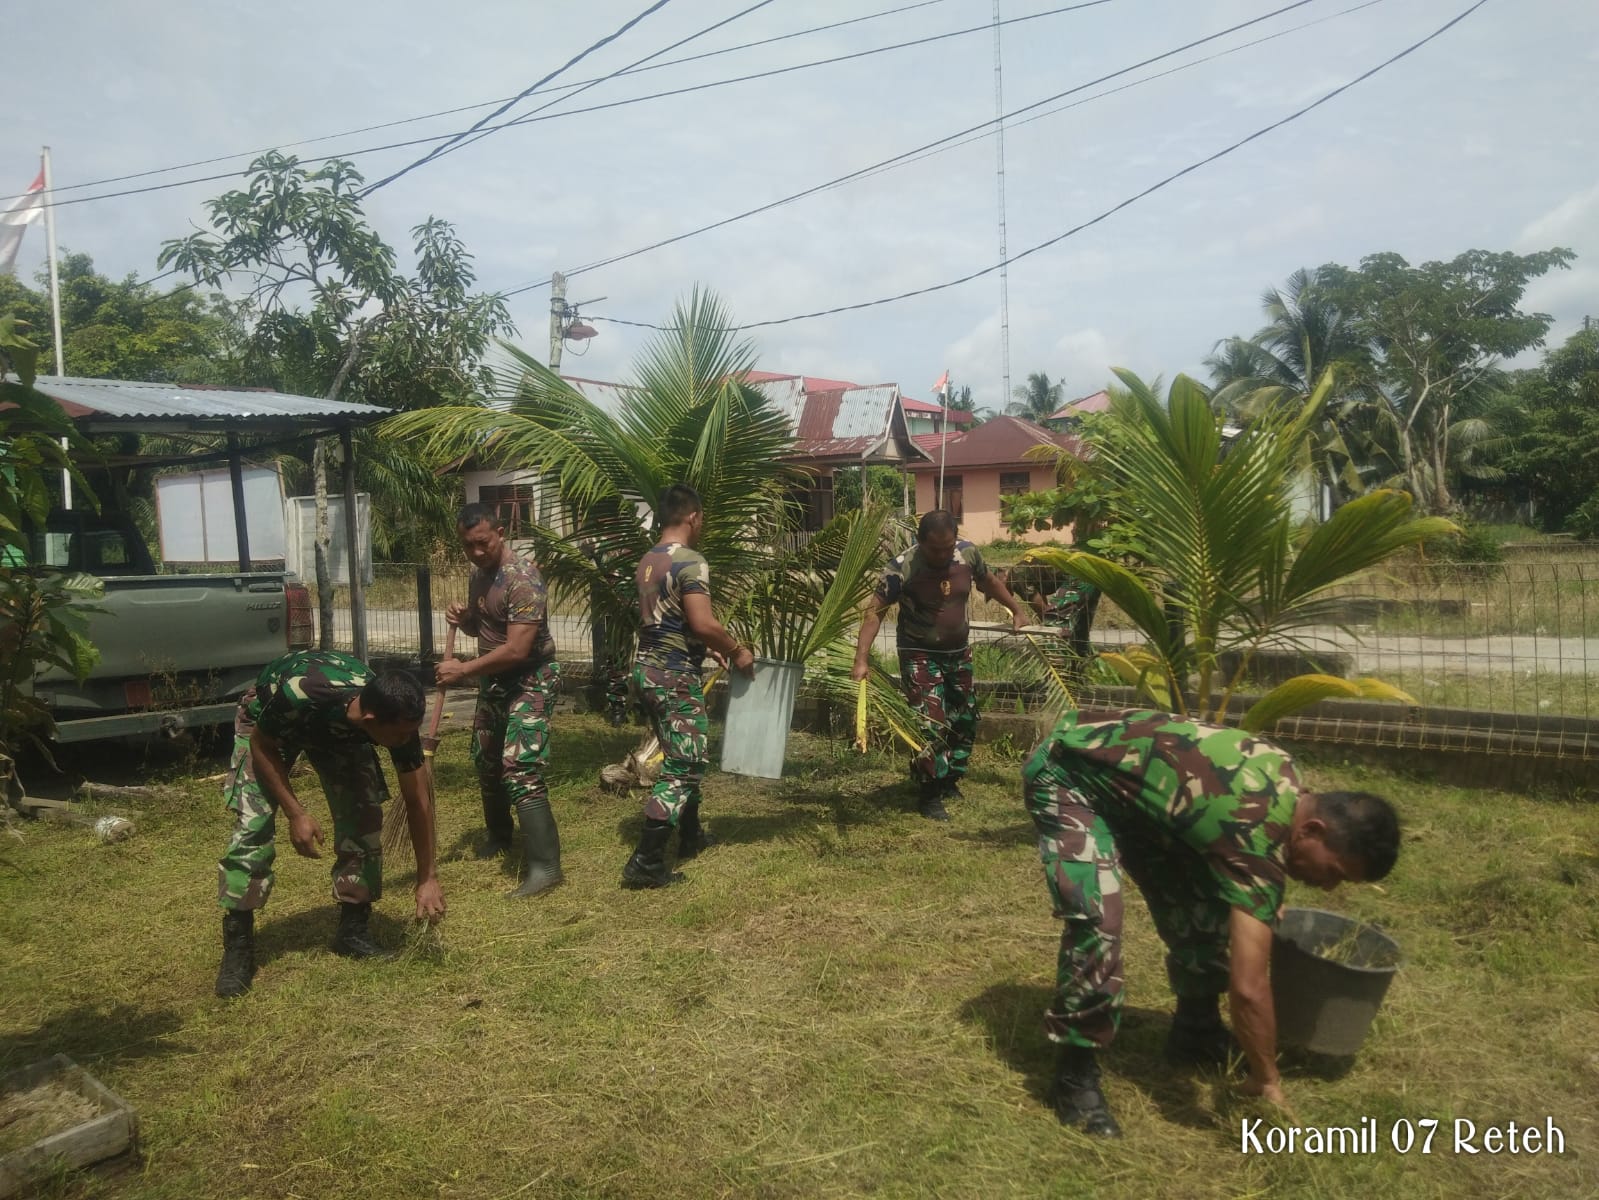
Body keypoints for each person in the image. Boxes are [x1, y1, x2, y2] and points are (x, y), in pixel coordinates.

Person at [1021, 708, 1401, 1138]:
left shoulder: (1287, 780)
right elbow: (1249, 987)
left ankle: (1195, 1031)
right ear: (1311, 829)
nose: (1330, 887)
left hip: (1141, 804)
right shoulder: (1253, 829)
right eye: (1334, 871)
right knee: (1096, 921)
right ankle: (1074, 1073)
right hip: (1071, 776)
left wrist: (1256, 899)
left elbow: (1243, 859)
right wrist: (1266, 1078)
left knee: (1208, 907)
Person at [213, 650, 443, 998]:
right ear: (369, 718)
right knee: (253, 825)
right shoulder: (301, 694)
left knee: (364, 814)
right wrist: (296, 813)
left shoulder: (397, 722)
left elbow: (418, 801)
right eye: (397, 736)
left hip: (340, 733)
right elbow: (262, 745)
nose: (404, 742)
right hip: (270, 724)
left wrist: (427, 877)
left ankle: (353, 929)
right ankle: (238, 946)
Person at [851, 510, 1028, 820]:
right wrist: (861, 659)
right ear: (921, 542)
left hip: (958, 653)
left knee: (964, 718)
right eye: (935, 549)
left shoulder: (968, 553)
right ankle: (929, 792)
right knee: (930, 722)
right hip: (919, 653)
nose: (943, 554)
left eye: (948, 547)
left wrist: (1016, 610)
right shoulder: (901, 569)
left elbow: (988, 582)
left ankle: (949, 779)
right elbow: (873, 613)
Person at [624, 482, 755, 888]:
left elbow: (669, 620)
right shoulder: (690, 561)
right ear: (694, 517)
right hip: (673, 676)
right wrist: (735, 650)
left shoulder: (648, 560)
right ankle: (645, 863)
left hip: (647, 669)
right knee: (687, 761)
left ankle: (691, 836)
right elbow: (702, 621)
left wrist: (704, 649)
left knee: (680, 750)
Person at [439, 503, 563, 899]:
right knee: (487, 758)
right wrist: (465, 618)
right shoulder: (480, 576)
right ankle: (498, 836)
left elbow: (517, 649)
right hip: (495, 681)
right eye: (467, 546)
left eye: (482, 543)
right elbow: (485, 627)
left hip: (531, 677)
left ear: (500, 534)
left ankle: (545, 868)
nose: (476, 552)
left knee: (520, 765)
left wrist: (464, 670)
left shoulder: (522, 578)